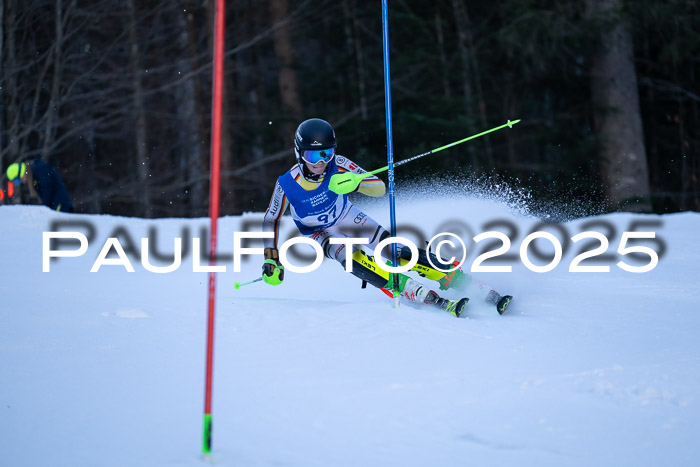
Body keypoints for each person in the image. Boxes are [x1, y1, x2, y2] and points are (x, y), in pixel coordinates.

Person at [261, 118, 511, 317]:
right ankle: (405, 287)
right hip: (321, 232)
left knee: (395, 251)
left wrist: (355, 183)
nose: (322, 162)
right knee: (351, 259)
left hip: (347, 216)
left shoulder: (339, 164)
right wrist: (271, 258)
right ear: (299, 153)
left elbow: (379, 187)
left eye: (327, 153)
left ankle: (461, 280)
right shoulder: (286, 183)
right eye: (314, 156)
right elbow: (271, 219)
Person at [5, 158, 73, 212]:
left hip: (59, 205)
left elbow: (48, 187)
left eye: (18, 180)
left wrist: (44, 207)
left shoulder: (39, 168)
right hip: (54, 206)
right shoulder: (32, 174)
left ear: (21, 172)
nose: (21, 182)